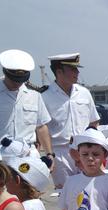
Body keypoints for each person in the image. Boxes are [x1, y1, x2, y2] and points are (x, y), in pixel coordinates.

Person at [0, 49, 53, 161]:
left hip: (29, 156)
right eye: (14, 80)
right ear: (5, 72)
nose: (17, 83)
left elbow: (41, 127)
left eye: (21, 80)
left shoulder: (34, 94)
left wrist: (49, 155)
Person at [42, 53, 100, 189]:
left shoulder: (84, 92)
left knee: (91, 190)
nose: (77, 72)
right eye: (73, 69)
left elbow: (93, 122)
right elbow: (42, 128)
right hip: (61, 152)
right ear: (59, 72)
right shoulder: (44, 97)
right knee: (66, 194)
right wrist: (49, 155)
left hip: (85, 150)